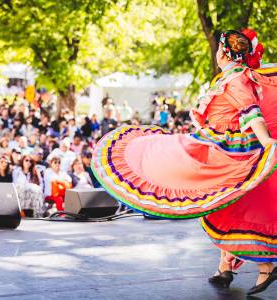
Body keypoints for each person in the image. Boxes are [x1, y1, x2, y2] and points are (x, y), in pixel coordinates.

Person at [91, 29, 277, 296]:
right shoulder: (234, 77)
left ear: (223, 52)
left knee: (227, 209)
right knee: (229, 207)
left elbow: (251, 113)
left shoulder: (235, 79)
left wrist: (267, 141)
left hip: (225, 154)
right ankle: (227, 266)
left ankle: (260, 266)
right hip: (223, 147)